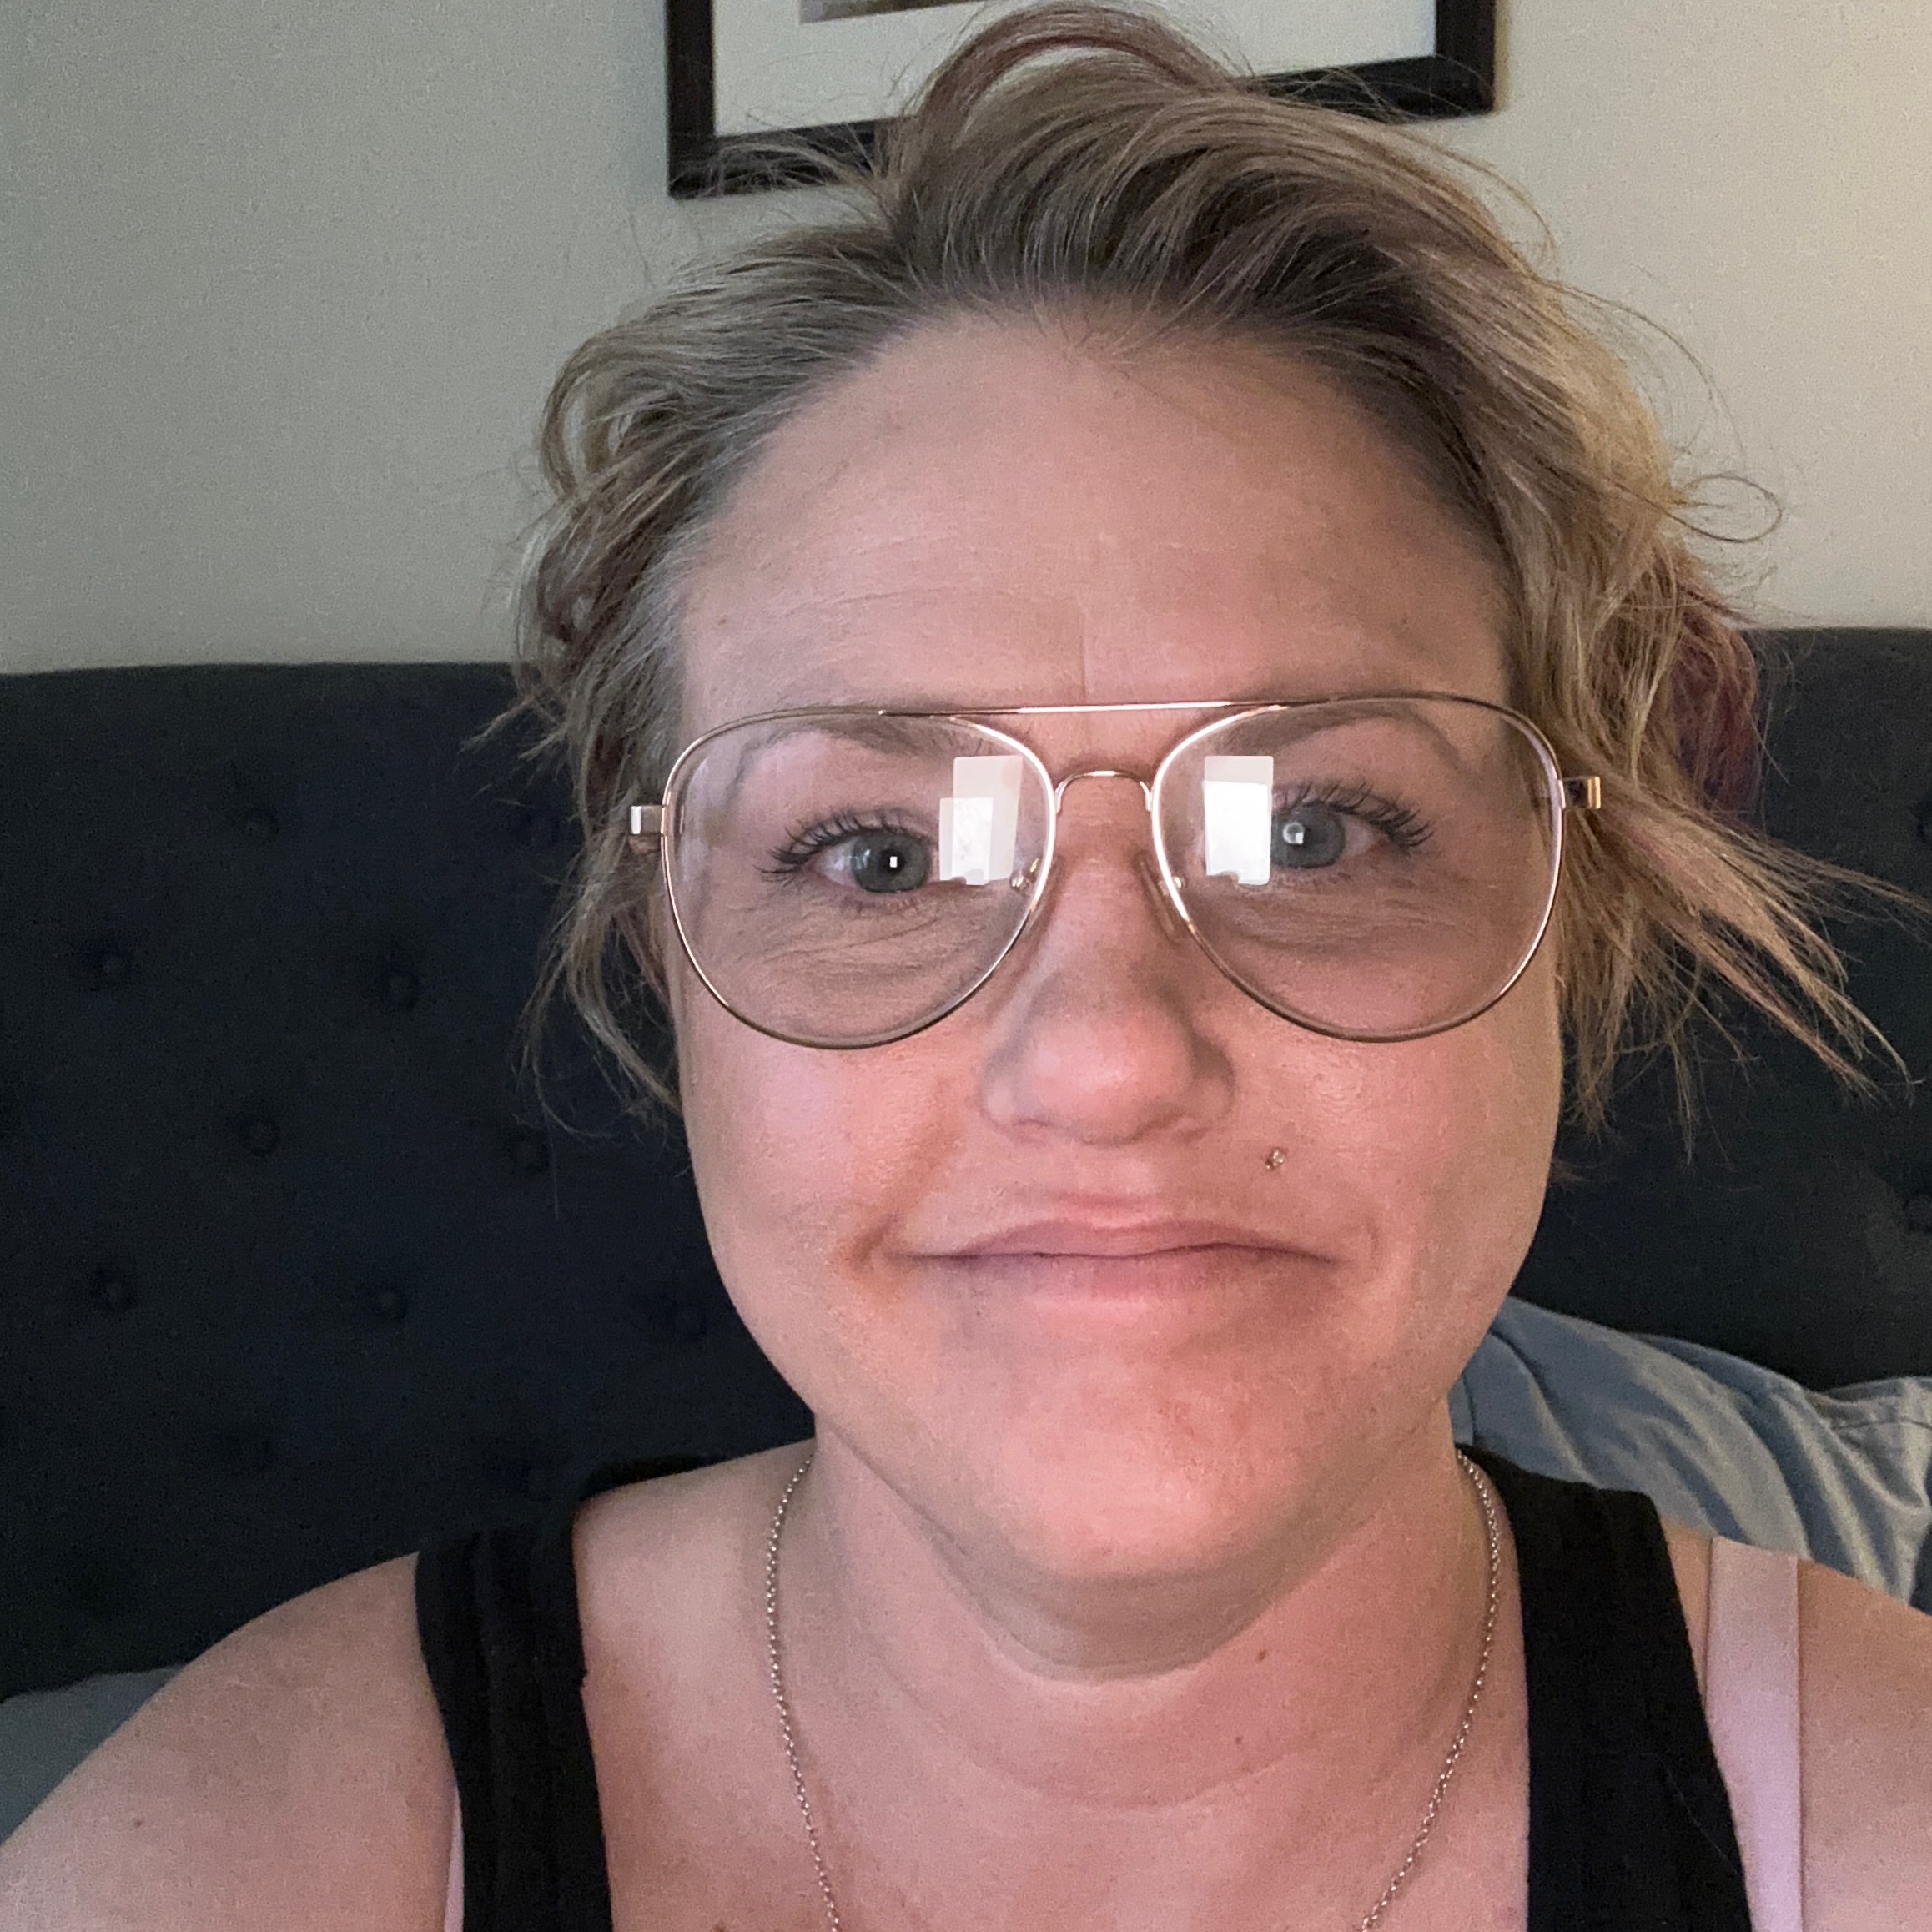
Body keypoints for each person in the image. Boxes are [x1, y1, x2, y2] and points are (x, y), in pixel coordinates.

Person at [6, 7, 1929, 1929]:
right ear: (670, 954)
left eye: (1314, 832)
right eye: (879, 854)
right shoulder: (243, 1856)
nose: (1103, 1059)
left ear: (1570, 917)